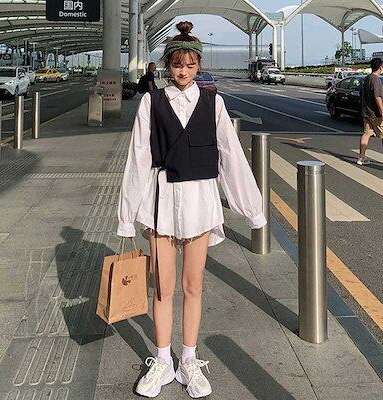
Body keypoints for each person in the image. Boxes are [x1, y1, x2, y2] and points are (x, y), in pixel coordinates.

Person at [117, 21, 266, 398]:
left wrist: (252, 210)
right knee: (163, 287)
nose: (183, 72)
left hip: (200, 202)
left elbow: (231, 157)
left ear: (198, 65)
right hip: (161, 203)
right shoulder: (151, 102)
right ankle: (162, 360)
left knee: (193, 285)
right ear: (167, 65)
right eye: (177, 65)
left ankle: (188, 359)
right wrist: (126, 216)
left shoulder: (214, 103)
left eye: (190, 65)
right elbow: (138, 158)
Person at [358, 57, 383, 165]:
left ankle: (361, 158)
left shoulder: (367, 78)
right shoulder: (376, 80)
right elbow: (377, 97)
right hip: (376, 114)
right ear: (380, 67)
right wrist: (382, 111)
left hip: (367, 112)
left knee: (366, 134)